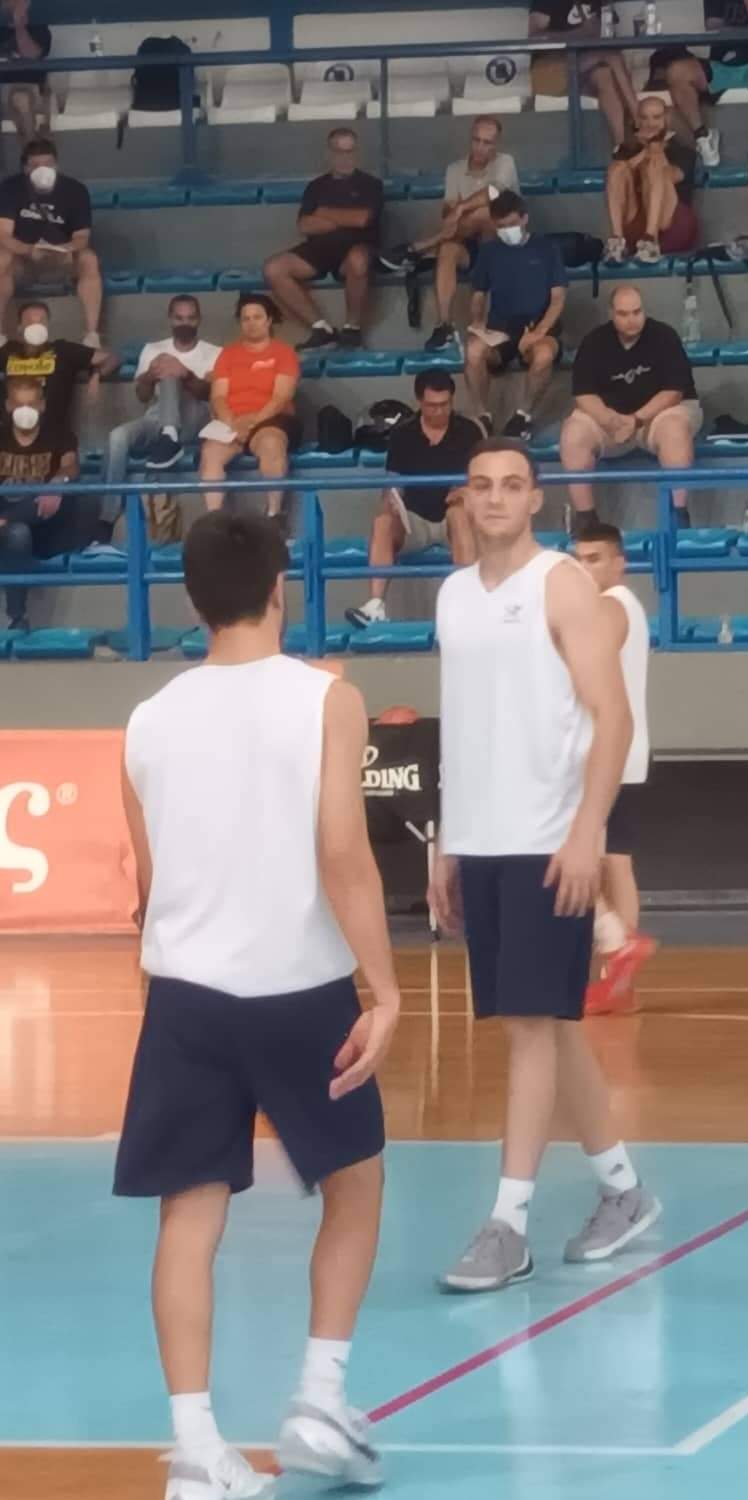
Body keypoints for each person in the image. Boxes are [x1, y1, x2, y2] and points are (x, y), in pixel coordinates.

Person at [114, 509, 401, 1500]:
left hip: (184, 997)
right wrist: (386, 987)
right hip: (298, 988)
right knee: (355, 1182)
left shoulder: (145, 721)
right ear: (282, 589)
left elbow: (150, 884)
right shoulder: (327, 699)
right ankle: (319, 1396)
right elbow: (342, 853)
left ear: (192, 602)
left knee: (187, 1217)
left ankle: (197, 1450)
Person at [431, 439, 657, 1293]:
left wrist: (587, 831)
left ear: (535, 499)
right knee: (550, 1024)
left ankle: (509, 1225)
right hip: (481, 841)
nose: (495, 498)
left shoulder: (562, 584)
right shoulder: (453, 596)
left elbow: (613, 717)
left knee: (530, 1026)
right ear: (465, 498)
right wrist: (447, 842)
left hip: (548, 841)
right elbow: (464, 724)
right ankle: (624, 1191)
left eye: (512, 485)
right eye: (481, 485)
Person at [571, 518, 659, 1016]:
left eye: (594, 559)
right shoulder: (629, 607)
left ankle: (614, 942)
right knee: (616, 863)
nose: (584, 569)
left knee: (570, 851)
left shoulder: (611, 607)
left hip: (605, 752)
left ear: (619, 563)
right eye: (578, 560)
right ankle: (620, 981)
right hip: (629, 751)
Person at [346, 371, 481, 630]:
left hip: (454, 518)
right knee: (383, 520)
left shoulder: (469, 431)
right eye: (432, 405)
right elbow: (393, 483)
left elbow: (482, 480)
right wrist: (392, 499)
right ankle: (375, 605)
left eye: (445, 404)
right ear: (419, 402)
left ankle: (469, 603)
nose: (439, 411)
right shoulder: (402, 435)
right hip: (414, 521)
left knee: (459, 513)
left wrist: (467, 490)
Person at [560, 284, 701, 529]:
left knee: (674, 428)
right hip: (611, 421)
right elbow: (583, 395)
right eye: (623, 314)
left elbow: (674, 392)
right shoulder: (593, 342)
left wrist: (636, 419)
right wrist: (608, 419)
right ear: (611, 314)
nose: (632, 320)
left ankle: (677, 515)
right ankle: (586, 520)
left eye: (637, 312)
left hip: (657, 416)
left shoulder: (664, 336)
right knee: (573, 432)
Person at [385, 116, 519, 353]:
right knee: (448, 250)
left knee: (486, 214)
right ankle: (444, 326)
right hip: (468, 241)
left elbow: (492, 194)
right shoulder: (455, 169)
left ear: (496, 144)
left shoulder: (505, 162)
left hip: (504, 241)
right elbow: (448, 214)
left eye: (487, 142)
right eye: (476, 140)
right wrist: (456, 212)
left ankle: (420, 248)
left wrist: (461, 208)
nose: (480, 147)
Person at [264, 128, 385, 354]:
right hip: (319, 250)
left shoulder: (371, 184)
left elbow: (361, 219)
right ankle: (321, 329)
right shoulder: (315, 186)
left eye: (350, 151)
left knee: (358, 259)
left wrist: (323, 213)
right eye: (340, 151)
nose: (346, 157)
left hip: (357, 248)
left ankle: (352, 329)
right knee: (274, 268)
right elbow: (304, 225)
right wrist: (342, 220)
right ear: (329, 154)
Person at [462, 191, 567, 441]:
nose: (506, 230)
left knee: (543, 355)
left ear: (524, 218)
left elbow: (558, 298)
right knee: (474, 351)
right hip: (500, 329)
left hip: (537, 327)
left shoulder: (547, 248)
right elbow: (478, 293)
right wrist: (477, 322)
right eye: (500, 226)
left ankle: (522, 416)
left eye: (511, 224)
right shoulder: (489, 251)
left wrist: (539, 332)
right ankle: (482, 416)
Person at [648, 0, 748, 168]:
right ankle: (703, 138)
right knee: (676, 71)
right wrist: (743, 28)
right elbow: (712, 24)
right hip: (721, 66)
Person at [200, 295, 302, 524]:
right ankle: (213, 520)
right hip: (232, 421)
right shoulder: (228, 354)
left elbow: (281, 397)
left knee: (271, 444)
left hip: (272, 418)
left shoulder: (283, 353)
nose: (251, 323)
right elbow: (218, 396)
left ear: (269, 321)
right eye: (245, 318)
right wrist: (232, 423)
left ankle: (274, 515)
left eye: (257, 317)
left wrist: (253, 423)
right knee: (210, 452)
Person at [107, 297, 223, 485]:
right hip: (157, 418)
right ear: (170, 318)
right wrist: (151, 375)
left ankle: (170, 436)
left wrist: (185, 374)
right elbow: (142, 396)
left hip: (196, 418)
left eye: (191, 318)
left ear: (199, 319)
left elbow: (209, 394)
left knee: (170, 368)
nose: (185, 323)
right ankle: (109, 504)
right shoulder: (152, 349)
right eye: (179, 318)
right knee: (117, 436)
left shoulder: (215, 352)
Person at [0, 139, 102, 346]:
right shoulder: (10, 188)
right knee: (2, 258)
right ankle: (0, 334)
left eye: (48, 164)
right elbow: (3, 234)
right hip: (24, 259)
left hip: (61, 257)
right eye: (36, 165)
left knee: (89, 259)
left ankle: (91, 335)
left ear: (57, 165)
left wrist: (66, 249)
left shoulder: (75, 190)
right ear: (26, 168)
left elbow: (82, 237)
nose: (43, 170)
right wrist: (28, 250)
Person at [0, 374, 77, 631]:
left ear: (42, 405)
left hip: (43, 523)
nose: (26, 411)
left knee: (22, 526)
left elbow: (71, 466)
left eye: (31, 404)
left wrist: (58, 480)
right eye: (19, 405)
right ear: (8, 405)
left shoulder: (59, 434)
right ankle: (17, 618)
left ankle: (6, 520)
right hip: (6, 528)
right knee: (17, 533)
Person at [5, 298, 116, 453]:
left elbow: (110, 358)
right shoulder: (8, 351)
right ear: (20, 327)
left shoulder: (63, 350)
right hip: (9, 437)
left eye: (42, 321)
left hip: (53, 436)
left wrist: (96, 374)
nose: (36, 325)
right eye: (30, 321)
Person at [529, 0, 641, 150]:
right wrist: (580, 33)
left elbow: (606, 35)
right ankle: (639, 117)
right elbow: (534, 37)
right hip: (551, 70)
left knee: (605, 75)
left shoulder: (599, 2)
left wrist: (594, 33)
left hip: (583, 67)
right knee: (611, 55)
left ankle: (621, 147)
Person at [605, 95, 699, 266]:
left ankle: (651, 240)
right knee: (617, 168)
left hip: (671, 224)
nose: (650, 124)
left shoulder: (684, 151)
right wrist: (644, 149)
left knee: (654, 165)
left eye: (656, 117)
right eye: (644, 118)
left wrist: (656, 148)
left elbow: (671, 176)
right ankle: (617, 242)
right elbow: (620, 174)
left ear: (667, 118)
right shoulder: (627, 150)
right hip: (636, 228)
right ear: (637, 121)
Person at [0, 0, 49, 145]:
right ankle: (29, 145)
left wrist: (19, 27)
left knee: (22, 99)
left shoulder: (39, 27)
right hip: (3, 86)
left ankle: (30, 145)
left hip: (31, 85)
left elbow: (32, 55)